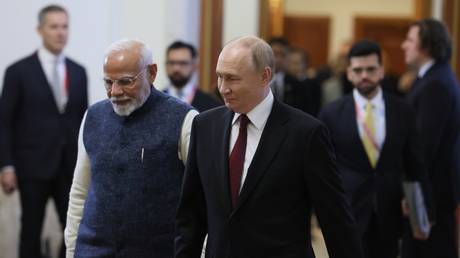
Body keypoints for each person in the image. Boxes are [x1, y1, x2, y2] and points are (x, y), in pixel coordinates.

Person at [174, 35, 364, 258]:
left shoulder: (306, 133)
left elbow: (335, 218)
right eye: (219, 77)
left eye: (233, 79)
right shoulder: (205, 126)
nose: (223, 88)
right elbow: (191, 216)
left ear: (265, 76)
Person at [64, 39, 198, 257]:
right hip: (92, 250)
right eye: (108, 82)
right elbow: (80, 191)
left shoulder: (185, 119)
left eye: (126, 81)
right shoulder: (93, 117)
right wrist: (71, 250)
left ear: (152, 73)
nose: (115, 92)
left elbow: (200, 198)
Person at [318, 40, 435, 258]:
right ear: (349, 73)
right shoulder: (330, 113)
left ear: (381, 71)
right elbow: (323, 169)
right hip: (348, 211)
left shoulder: (402, 110)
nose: (364, 75)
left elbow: (415, 164)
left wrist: (422, 212)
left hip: (390, 210)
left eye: (371, 69)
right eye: (358, 70)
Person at [0, 5, 88, 258]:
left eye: (65, 26)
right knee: (31, 230)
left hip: (69, 165)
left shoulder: (78, 71)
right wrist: (6, 165)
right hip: (32, 165)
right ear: (40, 30)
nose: (60, 33)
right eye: (54, 26)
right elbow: (5, 122)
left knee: (73, 229)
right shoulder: (18, 71)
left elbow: (84, 122)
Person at [401, 18, 460, 258]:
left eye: (410, 40)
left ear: (426, 46)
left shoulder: (435, 84)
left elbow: (423, 149)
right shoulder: (433, 77)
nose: (404, 45)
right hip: (429, 189)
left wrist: (410, 195)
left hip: (429, 193)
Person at [164, 40, 221, 112]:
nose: (176, 68)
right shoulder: (154, 102)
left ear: (194, 66)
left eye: (183, 63)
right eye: (171, 63)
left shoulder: (211, 104)